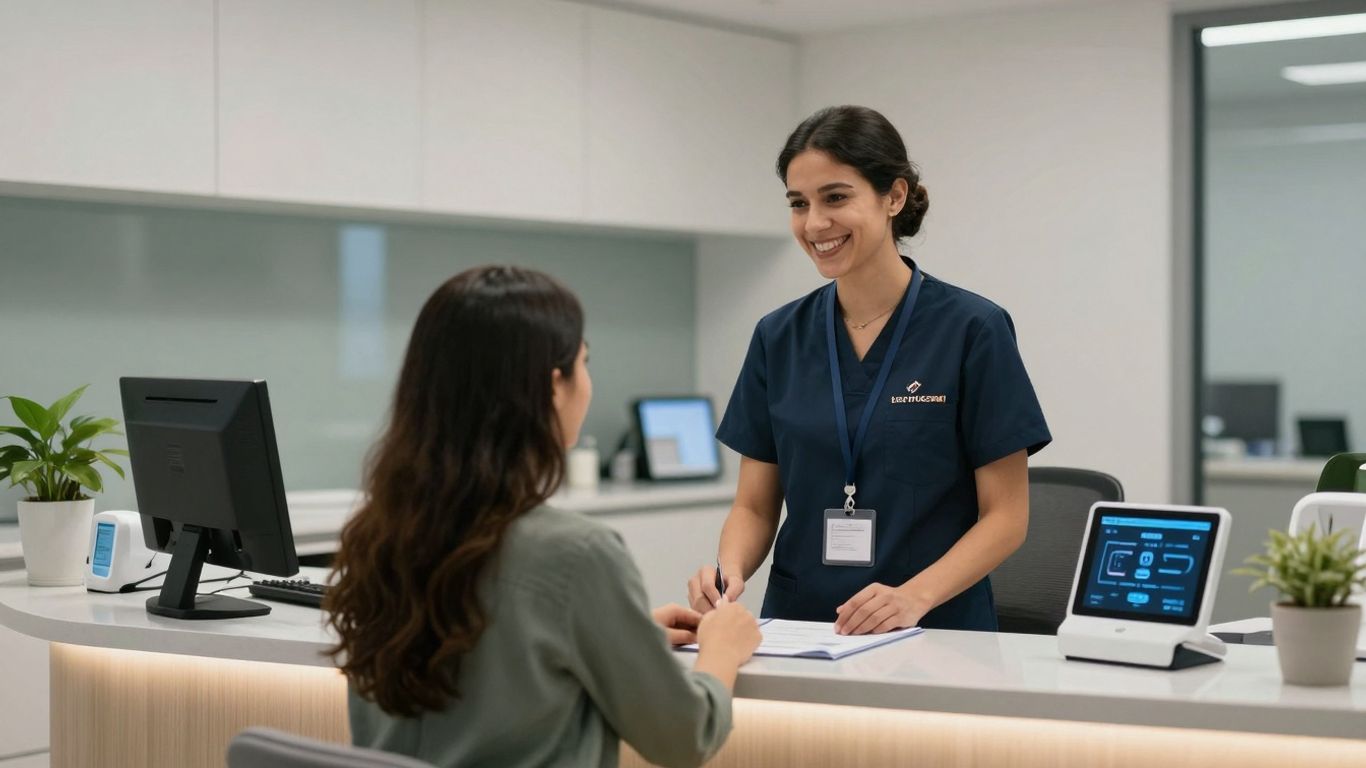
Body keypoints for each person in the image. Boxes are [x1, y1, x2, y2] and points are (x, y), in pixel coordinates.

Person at [326, 266, 761, 768]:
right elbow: (684, 739)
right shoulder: (577, 554)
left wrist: (621, 633)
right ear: (554, 386)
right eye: (584, 362)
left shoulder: (379, 538)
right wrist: (721, 651)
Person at [688, 105, 1051, 635]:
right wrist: (728, 571)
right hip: (801, 627)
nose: (815, 223)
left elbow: (1006, 518)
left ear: (894, 197)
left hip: (935, 629)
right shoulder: (778, 336)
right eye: (798, 203)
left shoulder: (973, 329)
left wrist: (913, 598)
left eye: (835, 197)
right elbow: (755, 505)